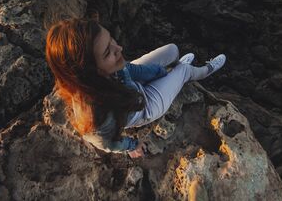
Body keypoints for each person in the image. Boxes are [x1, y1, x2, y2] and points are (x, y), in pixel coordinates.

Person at [45, 17, 226, 158]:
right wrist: (131, 146)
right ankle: (202, 71)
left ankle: (175, 71)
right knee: (185, 70)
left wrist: (161, 73)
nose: (119, 48)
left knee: (172, 50)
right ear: (91, 71)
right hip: (145, 106)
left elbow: (132, 69)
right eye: (108, 52)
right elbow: (106, 143)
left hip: (134, 86)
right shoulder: (94, 116)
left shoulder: (113, 67)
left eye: (112, 40)